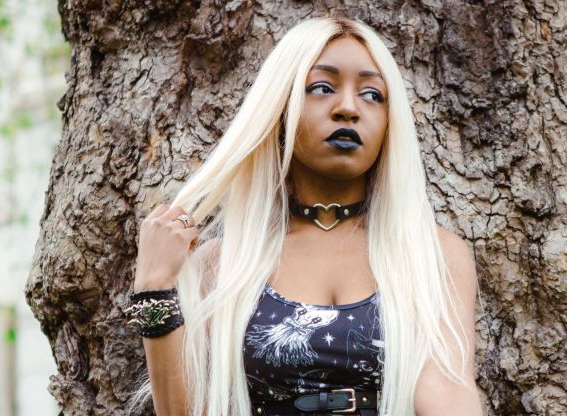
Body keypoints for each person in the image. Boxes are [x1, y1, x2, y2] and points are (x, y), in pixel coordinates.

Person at [127, 16, 483, 416]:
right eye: (322, 88)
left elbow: (447, 391)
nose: (348, 108)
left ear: (389, 121)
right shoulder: (223, 265)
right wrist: (154, 287)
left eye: (372, 94)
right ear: (280, 109)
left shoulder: (434, 256)